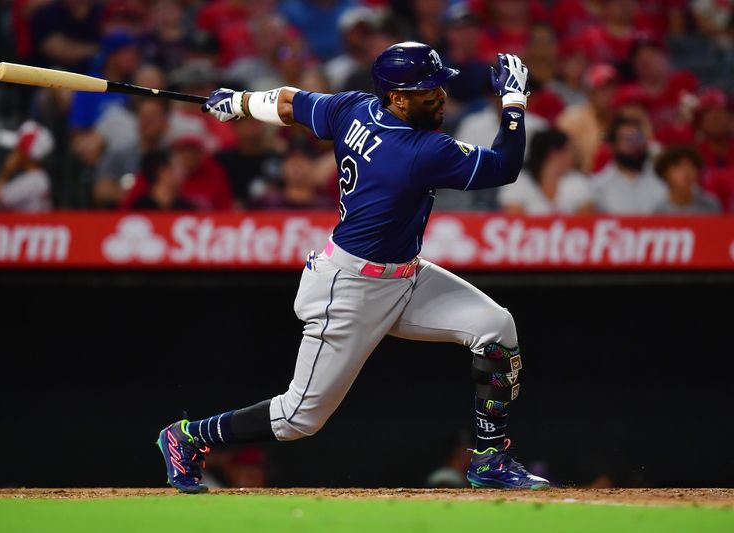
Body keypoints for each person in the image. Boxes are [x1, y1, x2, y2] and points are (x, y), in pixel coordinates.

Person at [156, 42, 548, 493]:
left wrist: (240, 103)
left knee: (495, 327)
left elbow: (288, 102)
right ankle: (186, 436)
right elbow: (505, 166)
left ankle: (489, 459)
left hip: (405, 276)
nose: (441, 96)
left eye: (440, 86)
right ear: (397, 97)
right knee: (296, 419)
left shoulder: (353, 108)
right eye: (428, 90)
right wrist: (515, 102)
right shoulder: (418, 150)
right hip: (350, 289)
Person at [498, 128, 594, 215]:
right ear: (553, 154)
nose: (573, 156)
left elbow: (587, 222)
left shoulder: (578, 182)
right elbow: (512, 220)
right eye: (568, 151)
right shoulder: (518, 182)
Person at [592, 115, 667, 214]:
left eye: (638, 138)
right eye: (627, 139)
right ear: (614, 146)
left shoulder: (662, 181)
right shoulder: (598, 186)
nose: (634, 144)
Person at [0, 120, 54, 211]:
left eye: (17, 150)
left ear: (27, 156)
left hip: (31, 224)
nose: (13, 154)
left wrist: (6, 171)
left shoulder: (33, 180)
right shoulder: (39, 176)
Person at [654, 146, 720, 214]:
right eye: (679, 169)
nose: (686, 174)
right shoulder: (659, 210)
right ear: (665, 174)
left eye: (691, 168)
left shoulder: (710, 205)